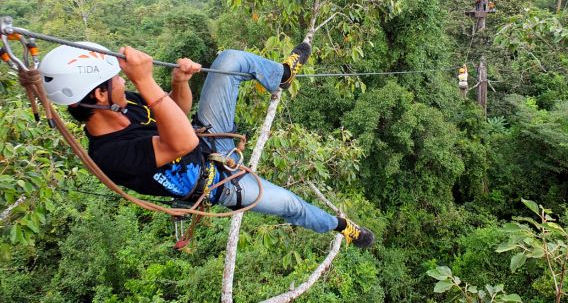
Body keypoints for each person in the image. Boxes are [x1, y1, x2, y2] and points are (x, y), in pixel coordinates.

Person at [38, 42, 374, 248]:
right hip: (218, 183)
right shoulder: (110, 154)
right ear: (98, 95)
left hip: (206, 135)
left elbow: (178, 113)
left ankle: (281, 75)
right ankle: (341, 228)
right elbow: (180, 142)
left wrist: (178, 83)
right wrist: (145, 78)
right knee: (292, 206)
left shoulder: (125, 103)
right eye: (116, 79)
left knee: (229, 60)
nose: (123, 81)